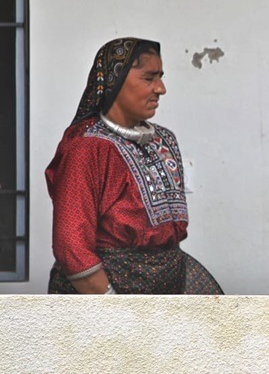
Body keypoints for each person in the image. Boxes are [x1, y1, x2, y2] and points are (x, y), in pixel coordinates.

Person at [47, 37, 222, 294]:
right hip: (104, 297)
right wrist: (113, 307)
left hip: (167, 286)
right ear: (115, 82)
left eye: (161, 77)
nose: (161, 88)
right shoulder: (86, 148)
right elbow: (71, 243)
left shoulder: (164, 139)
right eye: (149, 78)